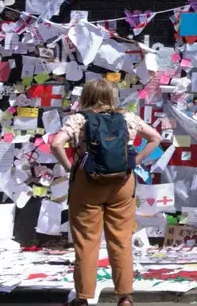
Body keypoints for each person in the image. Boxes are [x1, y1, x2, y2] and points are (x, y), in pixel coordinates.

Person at [48, 77, 163, 306]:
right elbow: (155, 138)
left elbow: (55, 144)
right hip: (122, 183)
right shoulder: (128, 117)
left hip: (87, 183)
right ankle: (125, 296)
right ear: (112, 96)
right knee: (121, 240)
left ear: (86, 97)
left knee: (86, 241)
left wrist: (70, 168)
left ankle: (82, 297)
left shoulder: (79, 119)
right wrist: (135, 162)